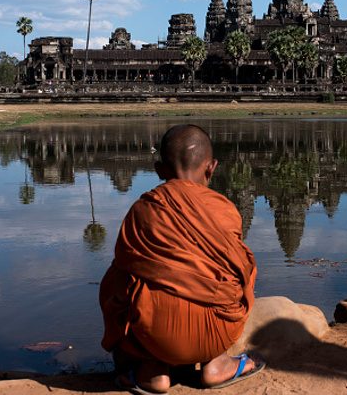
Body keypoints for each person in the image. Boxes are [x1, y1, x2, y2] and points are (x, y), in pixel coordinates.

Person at [99, 124, 264, 394]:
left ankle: (152, 372)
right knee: (242, 268)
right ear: (211, 168)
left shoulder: (144, 210)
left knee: (118, 279)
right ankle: (217, 363)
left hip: (155, 337)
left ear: (158, 170)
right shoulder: (224, 209)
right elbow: (240, 273)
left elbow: (120, 280)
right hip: (217, 332)